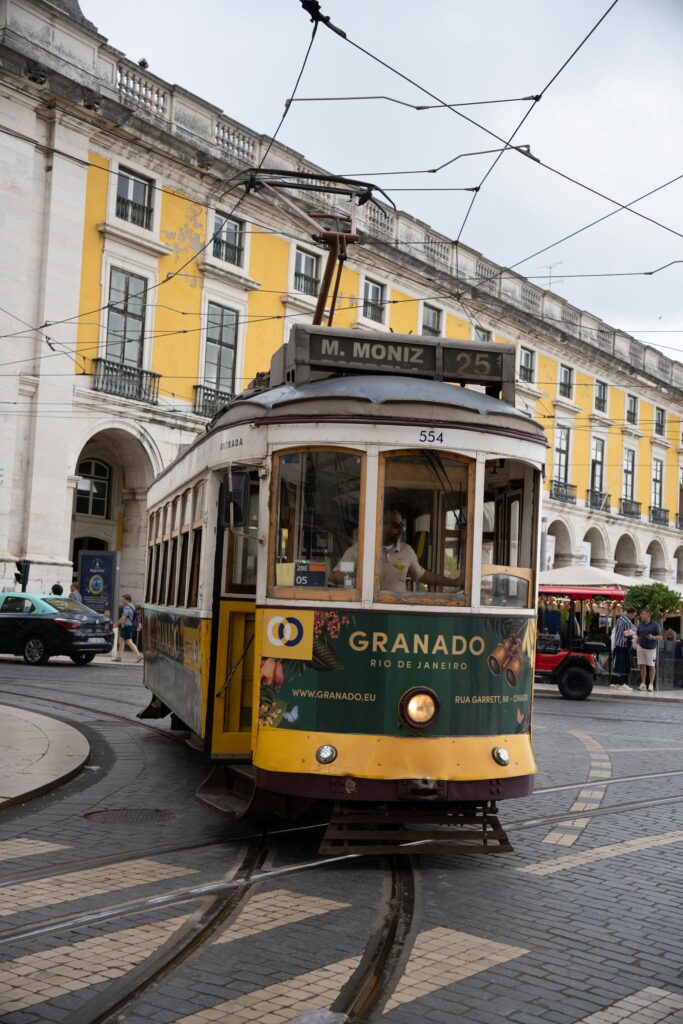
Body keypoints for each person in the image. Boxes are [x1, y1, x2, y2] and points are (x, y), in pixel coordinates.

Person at [333, 508, 464, 593]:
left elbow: (422, 575)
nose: (401, 530)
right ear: (382, 525)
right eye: (396, 525)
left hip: (398, 614)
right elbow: (336, 575)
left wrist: (453, 582)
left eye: (402, 525)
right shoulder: (359, 550)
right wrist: (356, 582)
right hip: (366, 611)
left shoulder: (407, 551)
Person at [610, 606, 637, 691]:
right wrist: (633, 635)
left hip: (617, 645)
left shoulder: (619, 619)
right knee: (623, 665)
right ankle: (621, 683)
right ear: (630, 613)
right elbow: (626, 634)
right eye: (634, 615)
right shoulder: (628, 622)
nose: (633, 617)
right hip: (624, 646)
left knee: (617, 664)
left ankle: (614, 682)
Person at [635, 607, 661, 692]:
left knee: (651, 666)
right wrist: (637, 639)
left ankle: (651, 684)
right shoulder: (641, 624)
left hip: (651, 648)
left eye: (642, 614)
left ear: (648, 614)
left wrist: (653, 637)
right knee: (642, 665)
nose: (641, 615)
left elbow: (660, 637)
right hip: (641, 647)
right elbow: (638, 634)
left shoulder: (655, 625)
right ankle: (643, 684)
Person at [113, 594, 143, 663]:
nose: (122, 601)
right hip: (128, 626)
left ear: (127, 600)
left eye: (123, 599)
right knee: (121, 641)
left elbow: (123, 618)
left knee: (129, 642)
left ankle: (139, 656)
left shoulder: (127, 607)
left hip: (127, 626)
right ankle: (119, 657)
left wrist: (115, 624)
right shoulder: (132, 606)